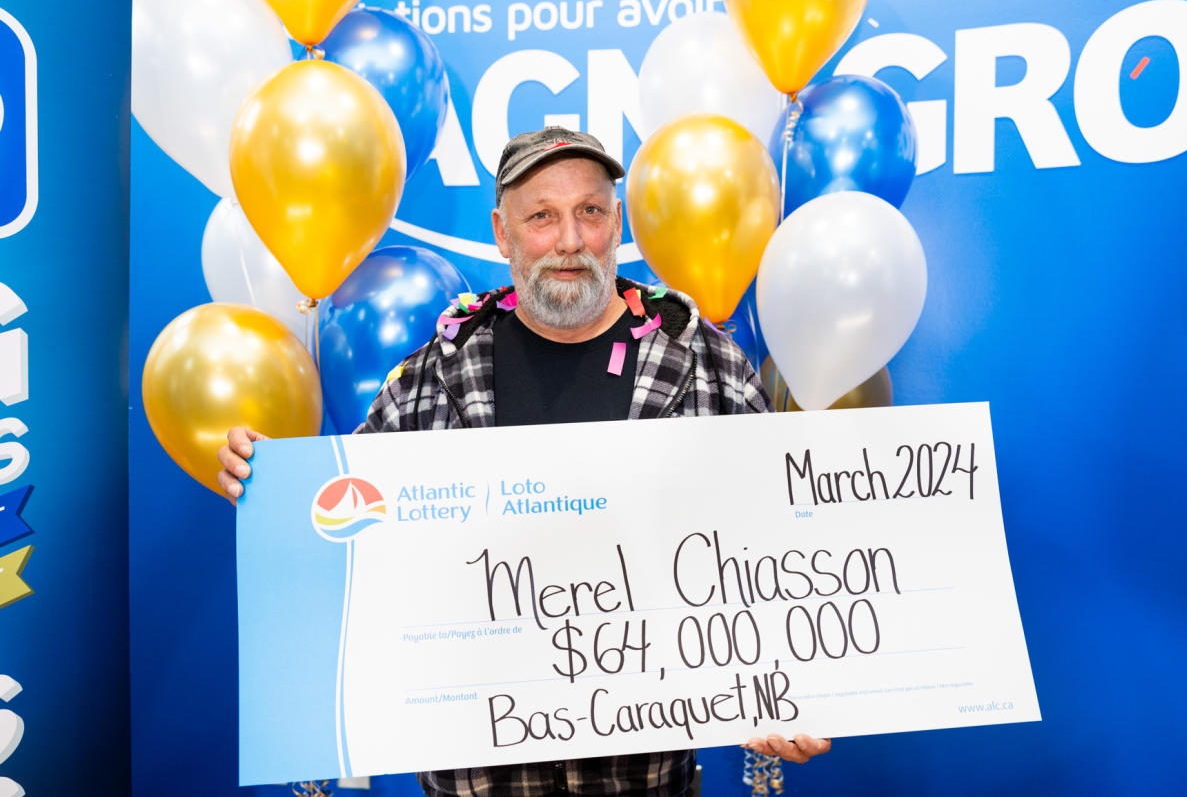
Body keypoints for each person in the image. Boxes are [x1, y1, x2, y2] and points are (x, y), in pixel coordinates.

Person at [217, 127, 830, 796]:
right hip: (475, 782)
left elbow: (778, 548)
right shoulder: (434, 377)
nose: (570, 241)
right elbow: (346, 526)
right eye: (541, 216)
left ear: (615, 223)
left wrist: (786, 692)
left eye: (590, 212)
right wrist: (271, 487)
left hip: (645, 780)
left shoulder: (705, 365)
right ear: (503, 233)